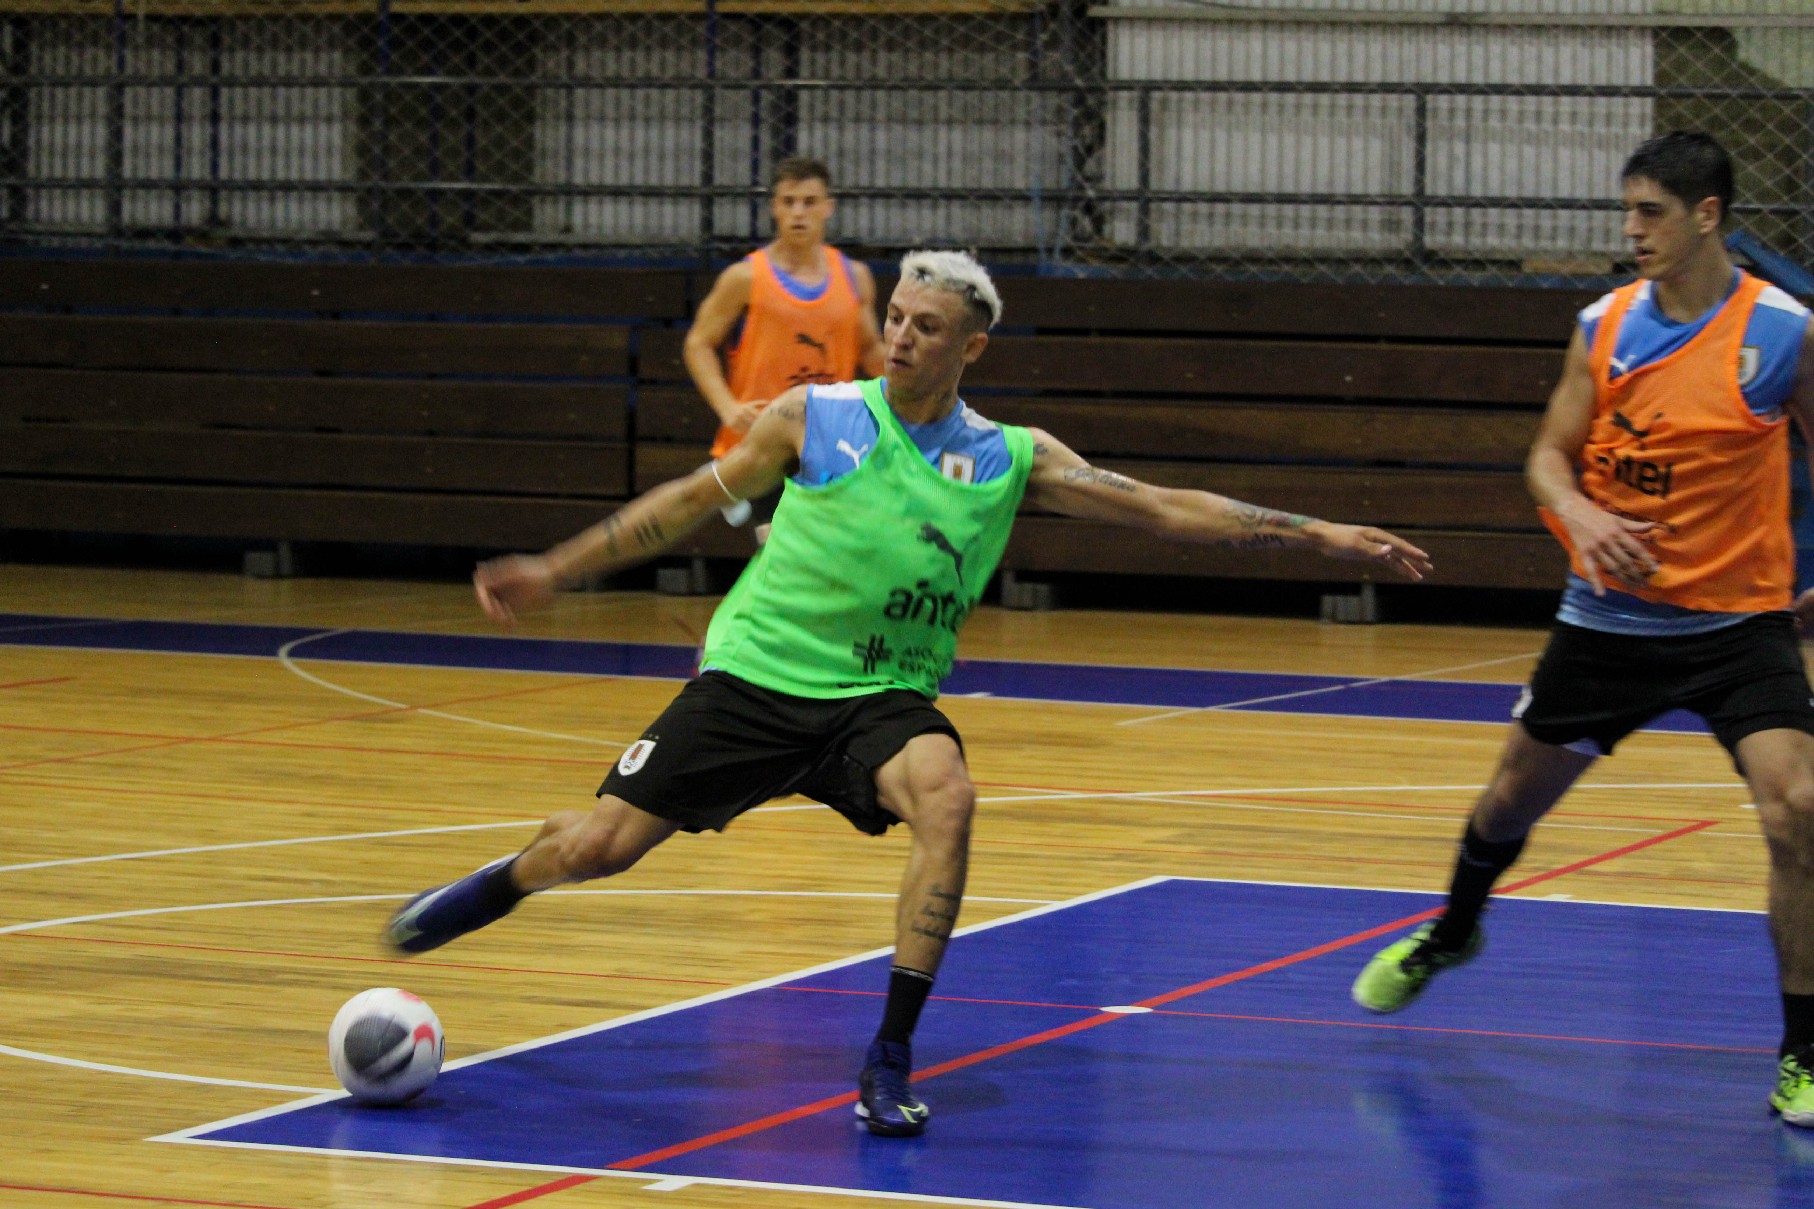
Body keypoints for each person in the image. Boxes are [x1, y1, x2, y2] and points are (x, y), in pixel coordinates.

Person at [386, 249, 1433, 1138]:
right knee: (598, 850)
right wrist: (557, 569)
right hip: (754, 678)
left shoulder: (1005, 458)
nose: (900, 337)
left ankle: (888, 1056)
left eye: (926, 327)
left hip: (876, 698)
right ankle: (504, 880)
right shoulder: (812, 420)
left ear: (970, 346)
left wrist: (1321, 533)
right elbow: (679, 508)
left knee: (948, 795)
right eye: (893, 317)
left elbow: (1162, 508)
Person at [1349, 131, 1814, 1128]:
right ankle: (1451, 932)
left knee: (1799, 810)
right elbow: (1546, 459)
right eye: (1626, 209)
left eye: (1648, 211)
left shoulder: (1780, 333)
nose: (1628, 230)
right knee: (1507, 805)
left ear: (1705, 215)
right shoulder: (1601, 326)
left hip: (1738, 627)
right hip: (1606, 627)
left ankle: (1801, 1052)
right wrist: (1585, 515)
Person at [683, 156, 884, 529]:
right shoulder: (745, 278)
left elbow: (871, 350)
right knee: (781, 548)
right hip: (763, 443)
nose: (798, 212)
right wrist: (728, 408)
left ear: (828, 208)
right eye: (789, 201)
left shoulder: (855, 278)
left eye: (809, 202)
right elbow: (698, 343)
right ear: (774, 207)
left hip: (828, 443)